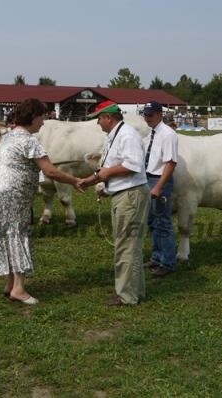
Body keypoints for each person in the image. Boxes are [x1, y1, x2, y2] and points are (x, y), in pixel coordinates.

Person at [0, 98, 83, 305]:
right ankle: (19, 289)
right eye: (42, 117)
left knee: (6, 237)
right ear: (33, 117)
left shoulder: (9, 137)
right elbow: (50, 170)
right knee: (18, 237)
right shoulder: (30, 141)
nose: (44, 123)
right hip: (14, 196)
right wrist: (75, 180)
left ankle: (10, 284)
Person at [78, 100, 149, 307]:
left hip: (130, 195)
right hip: (124, 194)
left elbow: (133, 165)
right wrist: (89, 180)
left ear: (109, 117)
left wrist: (107, 174)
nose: (98, 123)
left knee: (126, 247)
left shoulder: (127, 135)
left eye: (99, 118)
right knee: (129, 246)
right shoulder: (116, 135)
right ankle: (136, 291)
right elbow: (108, 167)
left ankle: (126, 296)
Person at [141, 101, 178, 278]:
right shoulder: (153, 133)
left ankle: (168, 262)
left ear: (159, 114)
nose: (147, 118)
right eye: (145, 114)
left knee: (163, 223)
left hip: (158, 180)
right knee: (152, 221)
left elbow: (171, 163)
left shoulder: (168, 134)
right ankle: (157, 257)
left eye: (150, 115)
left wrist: (159, 186)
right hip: (149, 178)